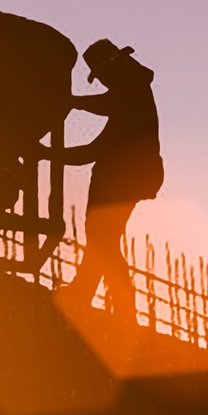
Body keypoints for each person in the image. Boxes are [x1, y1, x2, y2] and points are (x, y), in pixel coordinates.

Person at [58, 39, 163, 321]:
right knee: (101, 236)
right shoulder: (130, 97)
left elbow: (96, 140)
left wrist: (71, 102)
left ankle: (122, 305)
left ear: (113, 68)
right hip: (120, 177)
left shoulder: (133, 92)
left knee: (102, 236)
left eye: (103, 74)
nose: (103, 81)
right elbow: (95, 147)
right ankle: (87, 291)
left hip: (124, 179)